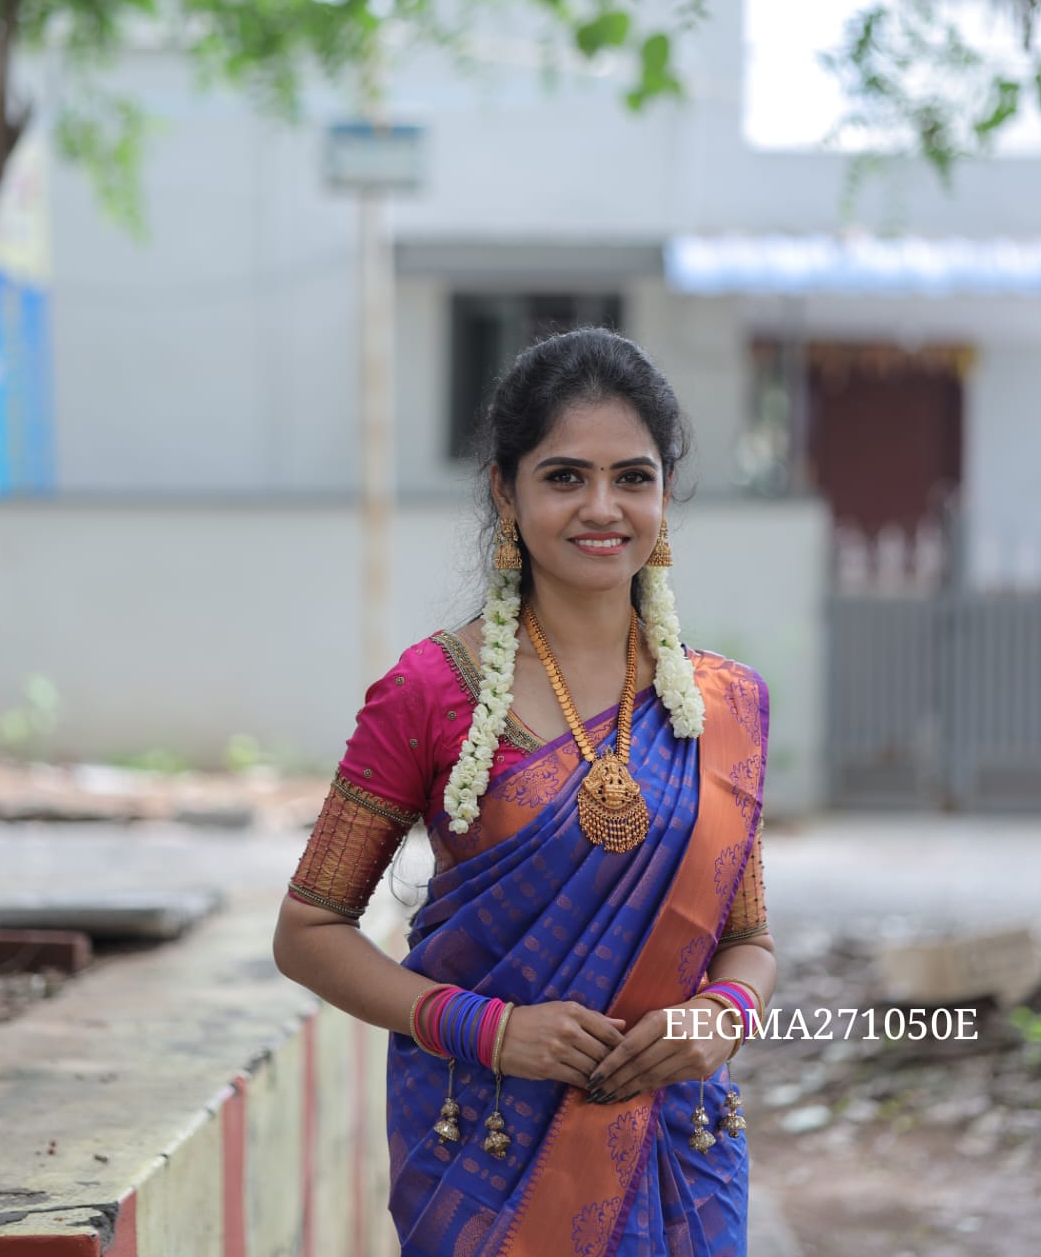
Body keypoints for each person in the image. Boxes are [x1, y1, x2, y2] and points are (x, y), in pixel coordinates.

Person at [274, 328, 775, 1256]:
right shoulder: (429, 694)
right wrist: (484, 1029)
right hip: (485, 1155)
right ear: (506, 490)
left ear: (666, 492)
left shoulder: (725, 706)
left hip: (679, 1152)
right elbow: (307, 932)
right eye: (564, 477)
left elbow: (747, 940)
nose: (603, 507)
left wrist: (722, 1017)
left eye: (633, 477)